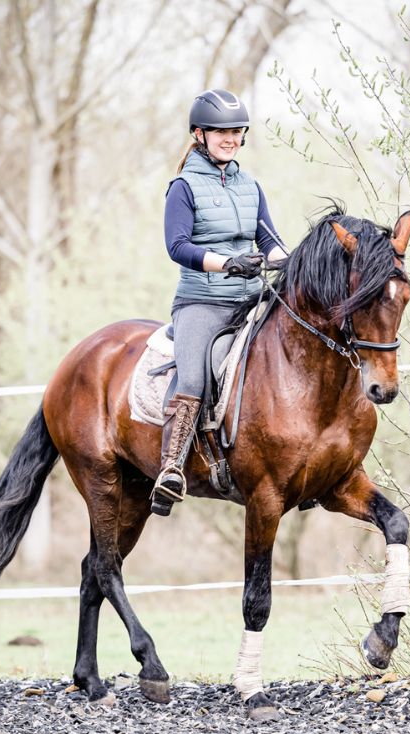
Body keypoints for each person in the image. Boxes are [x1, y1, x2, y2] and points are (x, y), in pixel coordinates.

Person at [151, 88, 287, 516]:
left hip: (250, 298)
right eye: (221, 131)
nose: (231, 138)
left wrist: (298, 261)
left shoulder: (250, 186)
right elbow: (177, 246)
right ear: (199, 133)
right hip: (201, 302)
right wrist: (227, 264)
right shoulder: (183, 186)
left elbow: (269, 242)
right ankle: (171, 467)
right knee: (192, 377)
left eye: (236, 131)